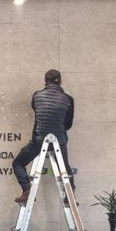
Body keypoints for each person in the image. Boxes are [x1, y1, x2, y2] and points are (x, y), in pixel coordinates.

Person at [13, 69, 75, 204]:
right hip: (59, 141)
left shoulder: (36, 96)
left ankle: (27, 191)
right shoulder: (68, 99)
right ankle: (71, 195)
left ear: (45, 81)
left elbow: (38, 115)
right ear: (60, 81)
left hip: (39, 140)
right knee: (65, 167)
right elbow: (68, 124)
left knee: (18, 163)